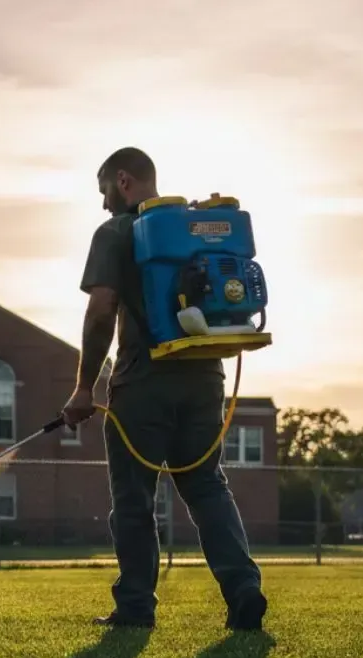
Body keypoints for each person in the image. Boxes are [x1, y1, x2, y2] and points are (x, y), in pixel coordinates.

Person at [61, 146, 268, 631]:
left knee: (134, 499)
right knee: (208, 488)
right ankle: (244, 590)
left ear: (124, 180)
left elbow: (100, 313)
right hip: (205, 377)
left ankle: (135, 608)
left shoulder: (116, 232)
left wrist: (83, 389)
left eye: (104, 191)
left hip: (143, 382)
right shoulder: (199, 229)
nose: (104, 203)